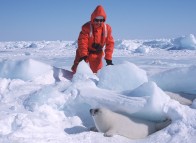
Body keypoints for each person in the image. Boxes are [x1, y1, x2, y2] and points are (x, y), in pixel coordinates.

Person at [71, 5, 114, 73]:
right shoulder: (86, 27)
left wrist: (108, 58)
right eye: (97, 20)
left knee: (97, 73)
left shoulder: (107, 28)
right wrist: (83, 55)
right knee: (77, 71)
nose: (99, 22)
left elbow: (110, 44)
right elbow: (82, 42)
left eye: (101, 20)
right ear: (93, 18)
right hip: (84, 52)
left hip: (97, 54)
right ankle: (72, 82)